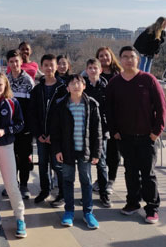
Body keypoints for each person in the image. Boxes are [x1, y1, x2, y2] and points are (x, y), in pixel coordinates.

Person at [107, 46, 166, 224]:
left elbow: (161, 107)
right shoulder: (115, 82)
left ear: (137, 60)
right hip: (124, 137)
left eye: (131, 56)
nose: (128, 60)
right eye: (124, 57)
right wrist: (114, 131)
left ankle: (152, 208)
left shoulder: (148, 80)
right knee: (131, 172)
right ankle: (132, 203)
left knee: (148, 174)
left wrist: (156, 132)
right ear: (120, 59)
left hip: (146, 137)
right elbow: (109, 109)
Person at [52, 74, 102, 230]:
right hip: (67, 150)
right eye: (72, 83)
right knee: (67, 180)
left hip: (84, 150)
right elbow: (56, 131)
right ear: (67, 87)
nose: (75, 85)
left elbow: (97, 131)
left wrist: (96, 153)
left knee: (86, 181)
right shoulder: (61, 105)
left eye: (79, 82)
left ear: (84, 86)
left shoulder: (92, 104)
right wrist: (57, 150)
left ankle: (88, 213)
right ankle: (69, 211)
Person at [0, 72, 27, 238]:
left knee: (11, 184)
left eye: (0, 85)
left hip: (6, 146)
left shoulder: (12, 102)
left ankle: (20, 217)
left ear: (5, 86)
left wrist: (5, 130)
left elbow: (20, 124)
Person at [31, 54, 66, 207]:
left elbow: (65, 114)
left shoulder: (63, 88)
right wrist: (38, 134)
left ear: (56, 66)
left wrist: (55, 134)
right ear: (41, 67)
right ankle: (45, 190)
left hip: (56, 136)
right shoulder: (37, 89)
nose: (49, 68)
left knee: (58, 165)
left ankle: (62, 194)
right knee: (43, 164)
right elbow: (32, 115)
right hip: (41, 136)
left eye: (52, 65)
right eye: (46, 65)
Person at [5, 49, 35, 198]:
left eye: (16, 61)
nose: (14, 64)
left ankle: (23, 185)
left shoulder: (29, 80)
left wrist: (29, 126)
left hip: (24, 127)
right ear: (8, 63)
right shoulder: (5, 80)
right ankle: (12, 184)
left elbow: (32, 106)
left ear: (21, 62)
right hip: (9, 127)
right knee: (10, 158)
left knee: (23, 157)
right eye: (11, 62)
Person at [83, 58, 111, 208]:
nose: (93, 70)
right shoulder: (83, 88)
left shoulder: (106, 88)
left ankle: (104, 194)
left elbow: (109, 109)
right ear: (86, 70)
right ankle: (86, 194)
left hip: (101, 131)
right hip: (86, 131)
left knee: (101, 164)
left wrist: (107, 128)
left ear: (100, 70)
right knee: (85, 164)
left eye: (95, 68)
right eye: (90, 68)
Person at [96, 46, 122, 192]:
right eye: (101, 56)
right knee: (101, 152)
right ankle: (102, 178)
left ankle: (111, 179)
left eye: (106, 55)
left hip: (115, 117)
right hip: (99, 119)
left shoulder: (118, 75)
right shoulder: (94, 73)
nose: (104, 58)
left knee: (114, 151)